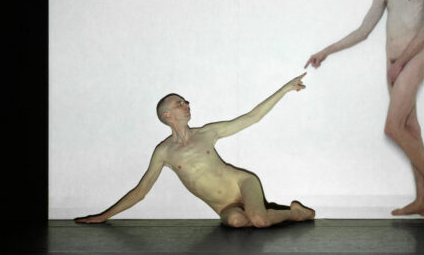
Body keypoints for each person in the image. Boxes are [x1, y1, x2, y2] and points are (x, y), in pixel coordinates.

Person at [305, 0, 424, 218]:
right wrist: (326, 51)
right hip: (393, 65)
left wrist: (401, 63)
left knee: (393, 128)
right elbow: (363, 31)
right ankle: (421, 199)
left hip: (411, 61)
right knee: (410, 129)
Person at [75, 73, 315, 227]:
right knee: (236, 221)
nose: (187, 104)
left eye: (186, 101)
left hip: (242, 183)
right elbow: (141, 191)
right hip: (224, 206)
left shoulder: (207, 133)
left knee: (259, 220)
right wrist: (102, 216)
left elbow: (252, 117)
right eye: (179, 103)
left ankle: (294, 213)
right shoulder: (164, 152)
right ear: (167, 115)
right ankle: (268, 212)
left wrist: (285, 89)